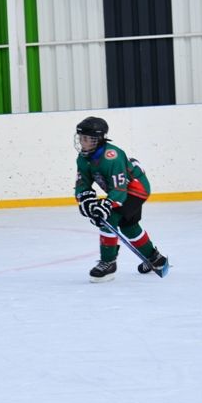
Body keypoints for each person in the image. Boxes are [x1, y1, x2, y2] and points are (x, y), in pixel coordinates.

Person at [74, 116, 169, 282]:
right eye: (81, 138)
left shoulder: (112, 156)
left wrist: (106, 206)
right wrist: (85, 200)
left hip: (135, 190)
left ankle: (108, 263)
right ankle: (156, 259)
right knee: (129, 227)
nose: (83, 142)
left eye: (87, 139)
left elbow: (119, 190)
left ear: (98, 140)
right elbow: (82, 183)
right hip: (120, 191)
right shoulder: (83, 158)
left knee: (108, 218)